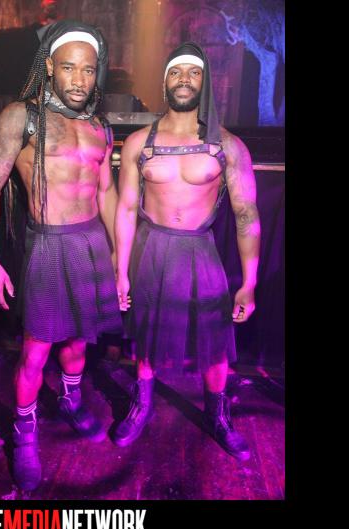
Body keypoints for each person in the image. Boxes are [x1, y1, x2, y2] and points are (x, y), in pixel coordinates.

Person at [0, 20, 123, 491]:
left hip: (91, 244)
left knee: (79, 342)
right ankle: (24, 433)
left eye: (89, 70)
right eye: (70, 67)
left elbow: (107, 193)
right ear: (50, 67)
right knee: (36, 351)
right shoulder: (22, 117)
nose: (80, 79)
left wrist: (119, 258)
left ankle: (72, 401)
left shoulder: (99, 126)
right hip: (49, 245)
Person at [113, 42, 261, 461]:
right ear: (165, 82)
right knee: (146, 334)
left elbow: (247, 215)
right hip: (152, 248)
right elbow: (126, 209)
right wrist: (120, 271)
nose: (184, 79)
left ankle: (218, 415)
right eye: (176, 72)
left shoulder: (227, 145)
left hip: (200, 250)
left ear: (205, 81)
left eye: (193, 72)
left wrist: (249, 283)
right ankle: (142, 405)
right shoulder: (139, 142)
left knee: (215, 339)